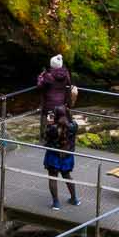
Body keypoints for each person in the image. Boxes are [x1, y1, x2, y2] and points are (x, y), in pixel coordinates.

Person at [36, 54, 78, 208]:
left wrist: (40, 76)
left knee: (53, 176)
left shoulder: (52, 129)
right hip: (67, 154)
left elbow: (40, 86)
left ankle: (56, 203)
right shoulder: (73, 126)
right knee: (67, 175)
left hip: (54, 155)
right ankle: (74, 199)